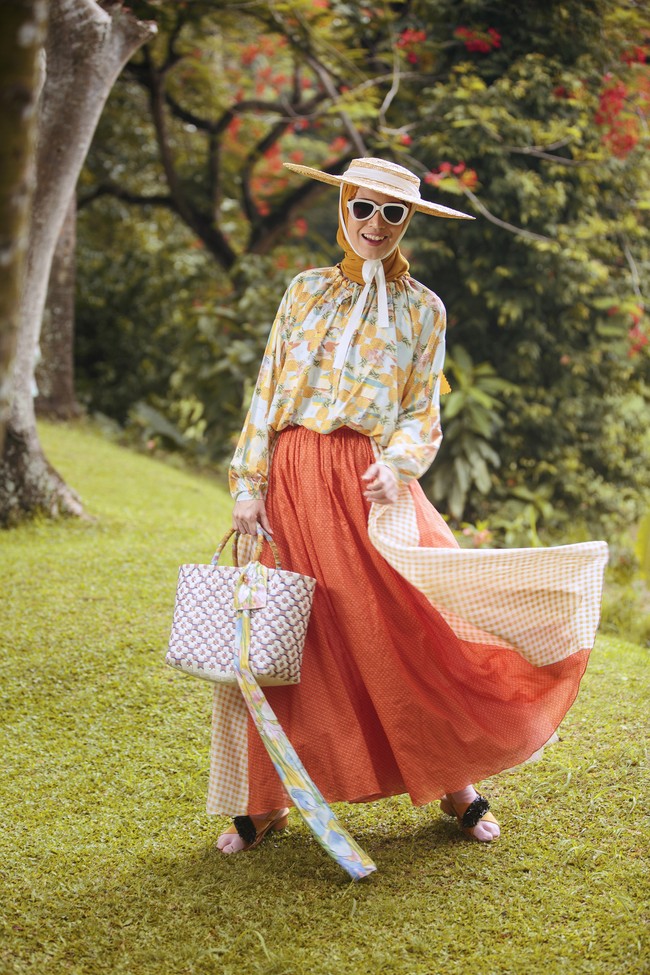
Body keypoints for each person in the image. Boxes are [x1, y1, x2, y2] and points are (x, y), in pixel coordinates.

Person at [208, 157, 608, 856]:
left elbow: (422, 411)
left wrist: (397, 467)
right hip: (293, 480)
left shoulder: (425, 308)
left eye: (393, 213)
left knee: (405, 628)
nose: (375, 224)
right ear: (344, 208)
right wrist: (248, 485)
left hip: (370, 487)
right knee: (286, 638)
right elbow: (267, 392)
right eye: (364, 207)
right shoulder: (303, 292)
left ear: (409, 221)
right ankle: (267, 801)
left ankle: (457, 783)